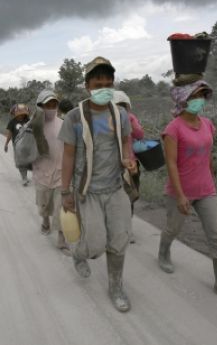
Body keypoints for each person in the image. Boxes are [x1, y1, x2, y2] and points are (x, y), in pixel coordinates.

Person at [158, 80, 217, 304]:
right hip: (180, 191)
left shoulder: (208, 124)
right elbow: (171, 163)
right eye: (195, 96)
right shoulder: (173, 128)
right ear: (183, 100)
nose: (200, 100)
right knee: (173, 228)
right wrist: (180, 195)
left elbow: (208, 154)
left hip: (207, 190)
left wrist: (212, 175)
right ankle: (163, 252)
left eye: (202, 95)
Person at [58, 56, 137, 312]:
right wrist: (65, 191)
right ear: (87, 85)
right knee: (95, 244)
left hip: (115, 188)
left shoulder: (121, 114)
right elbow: (68, 155)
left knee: (119, 239)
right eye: (98, 83)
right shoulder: (74, 117)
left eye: (108, 83)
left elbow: (126, 141)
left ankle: (116, 287)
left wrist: (128, 160)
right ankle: (79, 253)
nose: (104, 88)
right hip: (88, 191)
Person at [31, 90, 68, 250]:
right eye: (47, 105)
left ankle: (61, 239)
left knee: (62, 208)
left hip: (61, 173)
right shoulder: (32, 126)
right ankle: (45, 221)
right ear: (40, 106)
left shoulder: (64, 124)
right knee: (44, 205)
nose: (51, 107)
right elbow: (24, 150)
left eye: (54, 104)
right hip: (41, 173)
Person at [112, 91, 145, 215]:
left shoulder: (108, 118)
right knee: (131, 190)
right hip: (131, 163)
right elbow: (140, 134)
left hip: (114, 163)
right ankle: (127, 217)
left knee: (118, 192)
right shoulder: (130, 117)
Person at [4, 103, 31, 186]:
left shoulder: (28, 121)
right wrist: (6, 144)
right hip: (17, 145)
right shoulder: (12, 122)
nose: (21, 116)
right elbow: (9, 134)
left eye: (22, 114)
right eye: (19, 114)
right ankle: (24, 178)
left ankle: (27, 175)